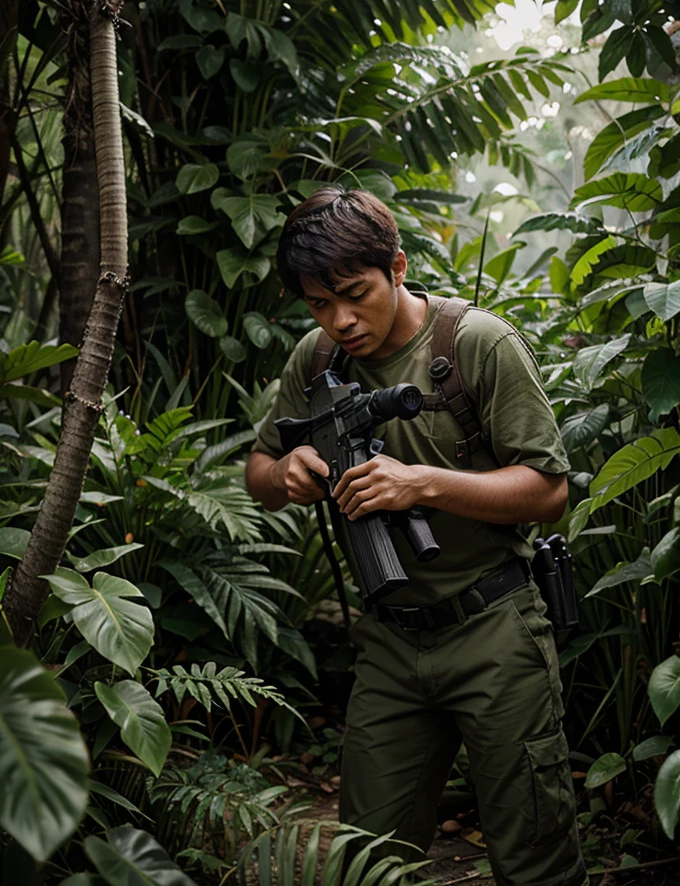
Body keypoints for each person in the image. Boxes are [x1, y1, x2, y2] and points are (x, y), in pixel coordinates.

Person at [246, 187, 588, 886]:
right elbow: (256, 468)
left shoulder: (476, 345)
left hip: (493, 628)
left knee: (534, 859)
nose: (340, 319)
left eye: (354, 293)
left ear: (397, 267)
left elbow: (549, 491)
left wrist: (421, 482)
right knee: (368, 866)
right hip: (390, 645)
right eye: (318, 304)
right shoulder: (314, 362)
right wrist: (286, 471)